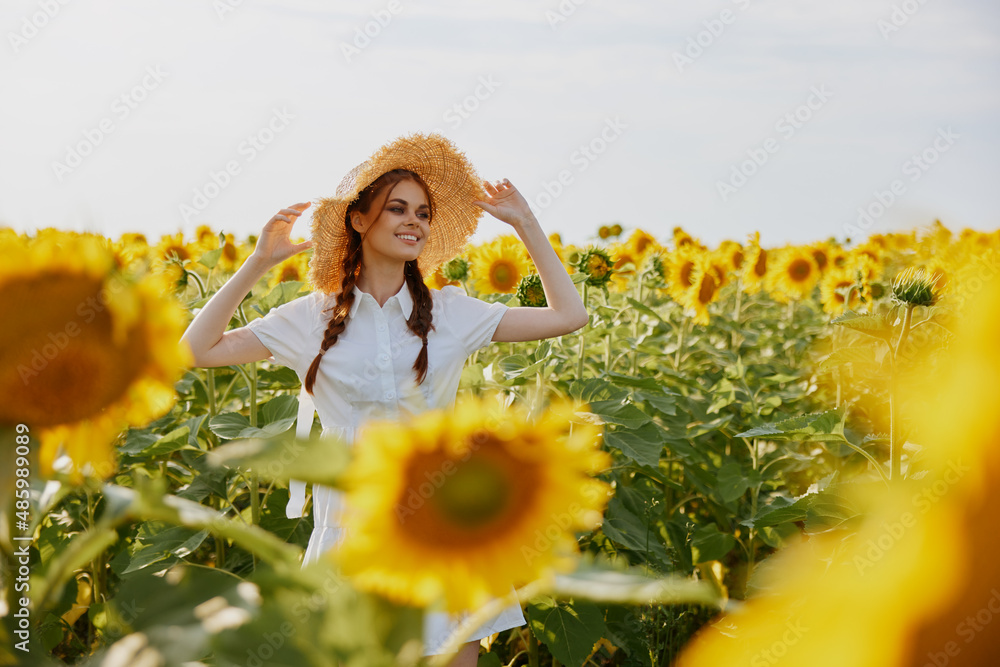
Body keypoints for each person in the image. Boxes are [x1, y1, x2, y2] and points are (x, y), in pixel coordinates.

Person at [180, 133, 589, 667]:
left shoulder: (451, 313)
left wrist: (526, 224)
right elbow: (194, 351)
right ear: (358, 220)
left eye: (423, 213)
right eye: (398, 208)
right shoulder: (312, 317)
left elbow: (568, 317)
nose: (414, 221)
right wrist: (257, 263)